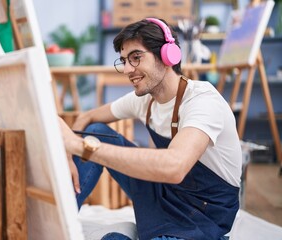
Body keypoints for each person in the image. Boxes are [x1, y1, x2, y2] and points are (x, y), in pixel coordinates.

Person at [59, 18, 242, 240]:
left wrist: (82, 147)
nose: (127, 69)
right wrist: (70, 154)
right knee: (98, 131)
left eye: (136, 58)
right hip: (165, 194)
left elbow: (175, 167)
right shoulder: (144, 100)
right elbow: (87, 118)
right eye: (124, 60)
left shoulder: (202, 101)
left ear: (168, 55)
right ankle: (61, 223)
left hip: (201, 216)